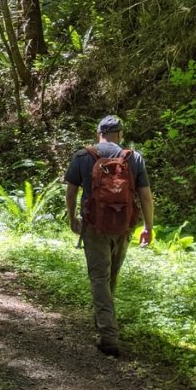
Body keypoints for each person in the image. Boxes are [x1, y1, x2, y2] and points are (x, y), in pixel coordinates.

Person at [64, 115, 155, 357]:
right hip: (123, 226)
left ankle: (107, 334)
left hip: (94, 227)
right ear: (121, 134)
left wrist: (72, 217)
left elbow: (71, 191)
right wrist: (148, 226)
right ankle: (104, 323)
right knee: (111, 276)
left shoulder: (84, 156)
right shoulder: (133, 158)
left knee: (99, 277)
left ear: (99, 133)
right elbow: (145, 196)